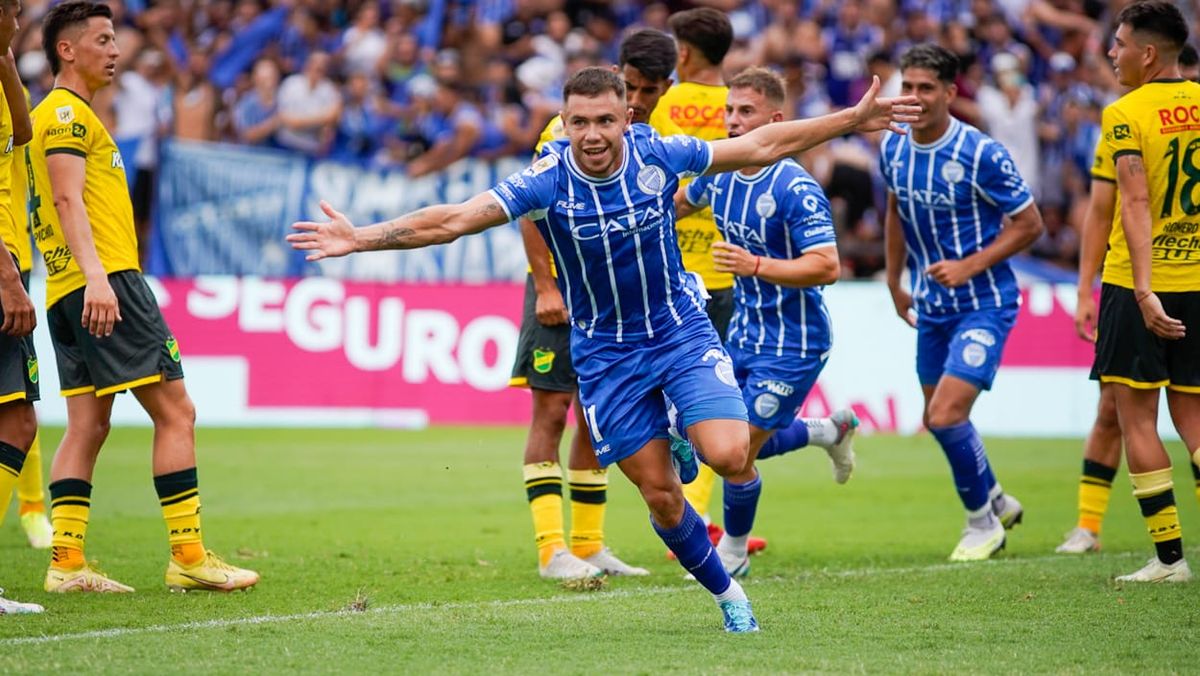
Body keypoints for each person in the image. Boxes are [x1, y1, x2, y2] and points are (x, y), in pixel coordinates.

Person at [290, 66, 917, 632]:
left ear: (627, 119)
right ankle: (729, 597)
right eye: (580, 122)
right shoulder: (546, 179)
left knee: (728, 455)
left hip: (678, 330)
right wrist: (361, 239)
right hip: (607, 356)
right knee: (662, 496)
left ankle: (678, 423)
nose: (592, 134)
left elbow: (759, 144)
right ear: (564, 123)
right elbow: (454, 219)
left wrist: (852, 119)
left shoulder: (658, 155)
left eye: (605, 121)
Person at [27, 0, 259, 593]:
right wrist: (102, 278)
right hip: (104, 281)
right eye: (102, 39)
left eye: (115, 39)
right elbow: (66, 200)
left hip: (65, 288)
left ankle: (67, 565)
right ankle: (188, 556)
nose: (115, 50)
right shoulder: (65, 116)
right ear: (66, 49)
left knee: (87, 426)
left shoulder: (62, 114)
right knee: (177, 411)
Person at [510, 29, 683, 581]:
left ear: (664, 89)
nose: (636, 100)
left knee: (595, 416)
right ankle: (550, 550)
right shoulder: (565, 132)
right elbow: (531, 209)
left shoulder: (646, 135)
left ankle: (588, 545)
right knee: (552, 411)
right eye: (629, 86)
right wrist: (546, 286)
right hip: (561, 291)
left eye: (647, 91)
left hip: (616, 306)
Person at [672, 67, 858, 576]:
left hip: (796, 343)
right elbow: (675, 206)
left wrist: (756, 265)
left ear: (776, 120)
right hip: (741, 335)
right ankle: (827, 431)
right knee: (721, 440)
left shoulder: (796, 188)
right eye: (730, 110)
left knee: (735, 454)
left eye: (746, 112)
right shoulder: (721, 174)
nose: (733, 120)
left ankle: (733, 550)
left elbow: (828, 266)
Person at [882, 44, 1043, 562]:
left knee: (948, 414)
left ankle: (981, 525)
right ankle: (996, 496)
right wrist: (892, 279)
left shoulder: (981, 153)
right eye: (907, 86)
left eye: (926, 87)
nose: (914, 97)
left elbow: (1030, 224)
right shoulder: (894, 147)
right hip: (930, 305)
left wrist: (970, 265)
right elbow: (895, 210)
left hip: (984, 303)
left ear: (950, 93)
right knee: (939, 417)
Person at [1095, 0, 1200, 583]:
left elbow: (1132, 201)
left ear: (1149, 53)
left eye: (1120, 43)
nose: (1113, 53)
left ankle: (1170, 561)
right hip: (1199, 279)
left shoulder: (1125, 113)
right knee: (1194, 419)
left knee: (1137, 419)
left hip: (1141, 285)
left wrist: (1142, 290)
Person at [658, 6, 764, 555]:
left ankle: (688, 521)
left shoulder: (663, 104)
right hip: (729, 270)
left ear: (681, 53)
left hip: (672, 274)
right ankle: (701, 518)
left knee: (674, 406)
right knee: (717, 402)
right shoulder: (741, 109)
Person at [0, 0, 44, 615]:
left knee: (17, 420)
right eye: (10, 9)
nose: (17, 18)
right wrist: (6, 274)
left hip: (12, 261)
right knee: (17, 422)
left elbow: (23, 130)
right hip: (2, 268)